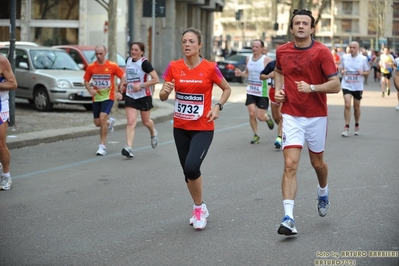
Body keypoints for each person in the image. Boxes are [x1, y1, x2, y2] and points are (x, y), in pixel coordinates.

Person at [274, 9, 341, 236]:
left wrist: (312, 88)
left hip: (316, 116)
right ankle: (288, 218)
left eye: (305, 23)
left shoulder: (322, 52)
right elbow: (278, 71)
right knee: (290, 165)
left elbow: (335, 85)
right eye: (297, 23)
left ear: (312, 28)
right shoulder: (282, 51)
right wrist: (279, 91)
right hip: (291, 114)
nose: (301, 26)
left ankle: (323, 190)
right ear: (291, 28)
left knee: (317, 164)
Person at [159, 27, 231, 230]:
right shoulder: (173, 67)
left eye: (191, 41)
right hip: (180, 127)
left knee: (192, 167)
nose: (187, 45)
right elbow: (163, 96)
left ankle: (199, 208)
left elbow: (227, 88)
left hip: (203, 128)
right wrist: (164, 92)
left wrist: (218, 106)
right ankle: (200, 206)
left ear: (200, 45)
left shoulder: (210, 68)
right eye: (184, 41)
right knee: (186, 173)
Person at [117, 42, 159, 158]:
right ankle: (128, 147)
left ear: (141, 52)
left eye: (136, 50)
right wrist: (123, 83)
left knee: (146, 122)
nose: (133, 52)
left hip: (144, 95)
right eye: (132, 49)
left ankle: (153, 132)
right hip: (131, 95)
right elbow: (127, 74)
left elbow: (156, 79)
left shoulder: (145, 63)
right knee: (131, 122)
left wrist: (141, 85)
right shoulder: (128, 60)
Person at [83, 44, 124, 156]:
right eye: (97, 54)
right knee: (98, 123)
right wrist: (90, 89)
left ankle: (102, 146)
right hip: (96, 97)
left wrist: (120, 91)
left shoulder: (112, 66)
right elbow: (86, 81)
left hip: (108, 97)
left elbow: (123, 77)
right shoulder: (91, 67)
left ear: (105, 53)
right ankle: (109, 123)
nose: (99, 56)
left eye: (101, 53)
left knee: (102, 117)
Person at [234, 39, 274, 144]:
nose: (254, 49)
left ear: (262, 48)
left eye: (257, 47)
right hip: (251, 90)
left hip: (262, 91)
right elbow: (247, 73)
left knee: (260, 117)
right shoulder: (248, 59)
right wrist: (241, 74)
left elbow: (274, 72)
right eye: (253, 46)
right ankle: (256, 135)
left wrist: (270, 76)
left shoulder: (267, 60)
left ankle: (267, 118)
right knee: (252, 114)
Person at [340, 41, 370, 137]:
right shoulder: (345, 57)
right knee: (347, 105)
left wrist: (363, 73)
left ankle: (357, 124)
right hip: (346, 85)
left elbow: (368, 71)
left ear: (358, 48)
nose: (352, 49)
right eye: (350, 47)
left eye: (354, 47)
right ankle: (346, 126)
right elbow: (341, 69)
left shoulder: (363, 59)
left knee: (356, 108)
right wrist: (342, 71)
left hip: (357, 86)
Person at [0, 55, 18, 190]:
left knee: (0, 144)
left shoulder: (2, 61)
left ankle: (6, 175)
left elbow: (13, 83)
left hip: (1, 107)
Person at [260, 60, 282, 149]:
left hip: (287, 91)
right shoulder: (273, 64)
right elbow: (261, 76)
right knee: (276, 117)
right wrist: (269, 75)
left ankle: (279, 138)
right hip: (274, 90)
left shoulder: (291, 63)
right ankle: (284, 131)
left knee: (281, 116)